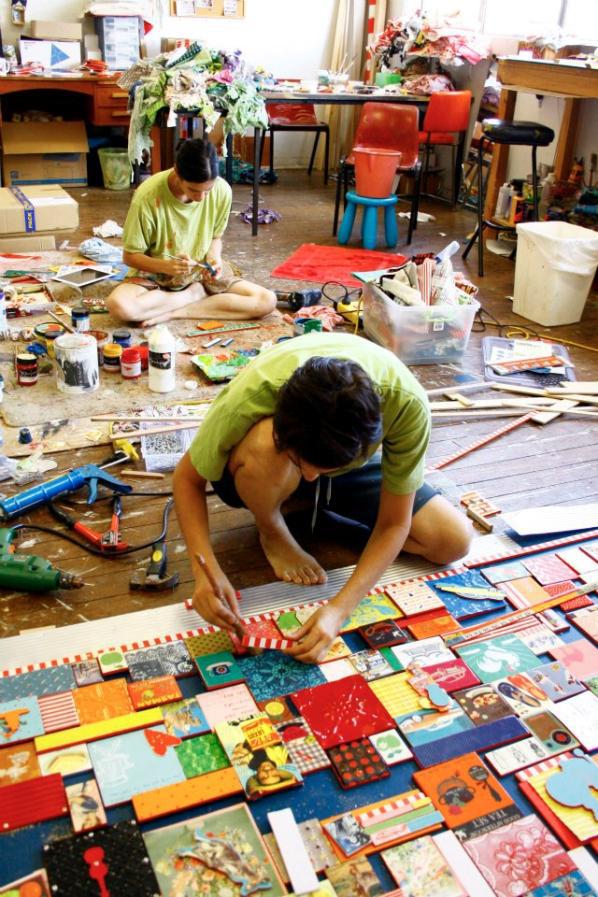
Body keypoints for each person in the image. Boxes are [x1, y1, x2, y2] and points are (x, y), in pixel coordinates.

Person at [173, 332, 472, 663]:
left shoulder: (406, 405)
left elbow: (394, 523)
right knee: (262, 447)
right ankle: (273, 527)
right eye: (305, 466)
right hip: (264, 469)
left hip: (335, 461)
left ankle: (318, 512)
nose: (311, 477)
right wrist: (205, 570)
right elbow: (187, 479)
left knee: (452, 541)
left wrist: (339, 610)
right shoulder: (256, 391)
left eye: (324, 469)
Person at [107, 139, 276, 327]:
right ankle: (192, 295)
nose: (201, 198)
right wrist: (166, 266)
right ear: (177, 172)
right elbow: (130, 256)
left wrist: (214, 258)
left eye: (208, 190)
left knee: (266, 301)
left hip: (202, 272)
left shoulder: (222, 190)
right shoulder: (147, 197)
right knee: (119, 306)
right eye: (193, 190)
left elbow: (215, 237)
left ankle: (178, 310)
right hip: (159, 274)